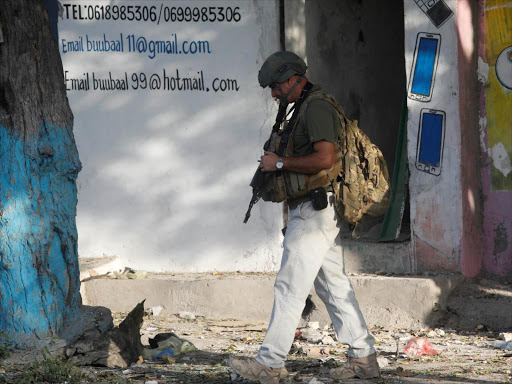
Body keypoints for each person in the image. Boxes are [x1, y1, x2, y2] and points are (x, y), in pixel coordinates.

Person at [229, 51, 380, 383]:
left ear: (291, 79)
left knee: (289, 286)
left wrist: (279, 164)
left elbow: (325, 160)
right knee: (333, 287)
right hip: (311, 209)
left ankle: (269, 364)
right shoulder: (302, 107)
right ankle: (363, 358)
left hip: (316, 210)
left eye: (274, 86)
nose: (272, 94)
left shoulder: (317, 107)